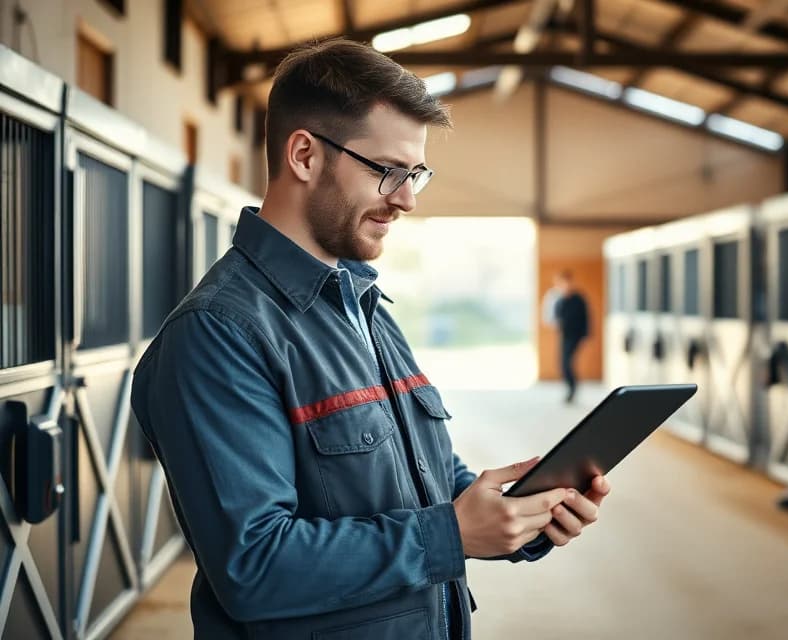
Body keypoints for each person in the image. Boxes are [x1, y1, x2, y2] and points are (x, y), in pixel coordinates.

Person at [130, 38, 609, 640]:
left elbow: (428, 481)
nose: (407, 198)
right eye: (388, 172)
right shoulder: (218, 333)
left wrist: (520, 515)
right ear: (304, 154)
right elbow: (252, 567)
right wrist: (451, 535)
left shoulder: (364, 303)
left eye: (416, 175)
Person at [552, 270, 590, 403]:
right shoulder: (560, 299)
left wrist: (585, 334)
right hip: (564, 335)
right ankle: (569, 387)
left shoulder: (578, 299)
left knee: (567, 362)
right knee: (562, 363)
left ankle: (572, 388)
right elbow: (556, 317)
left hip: (576, 335)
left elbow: (586, 318)